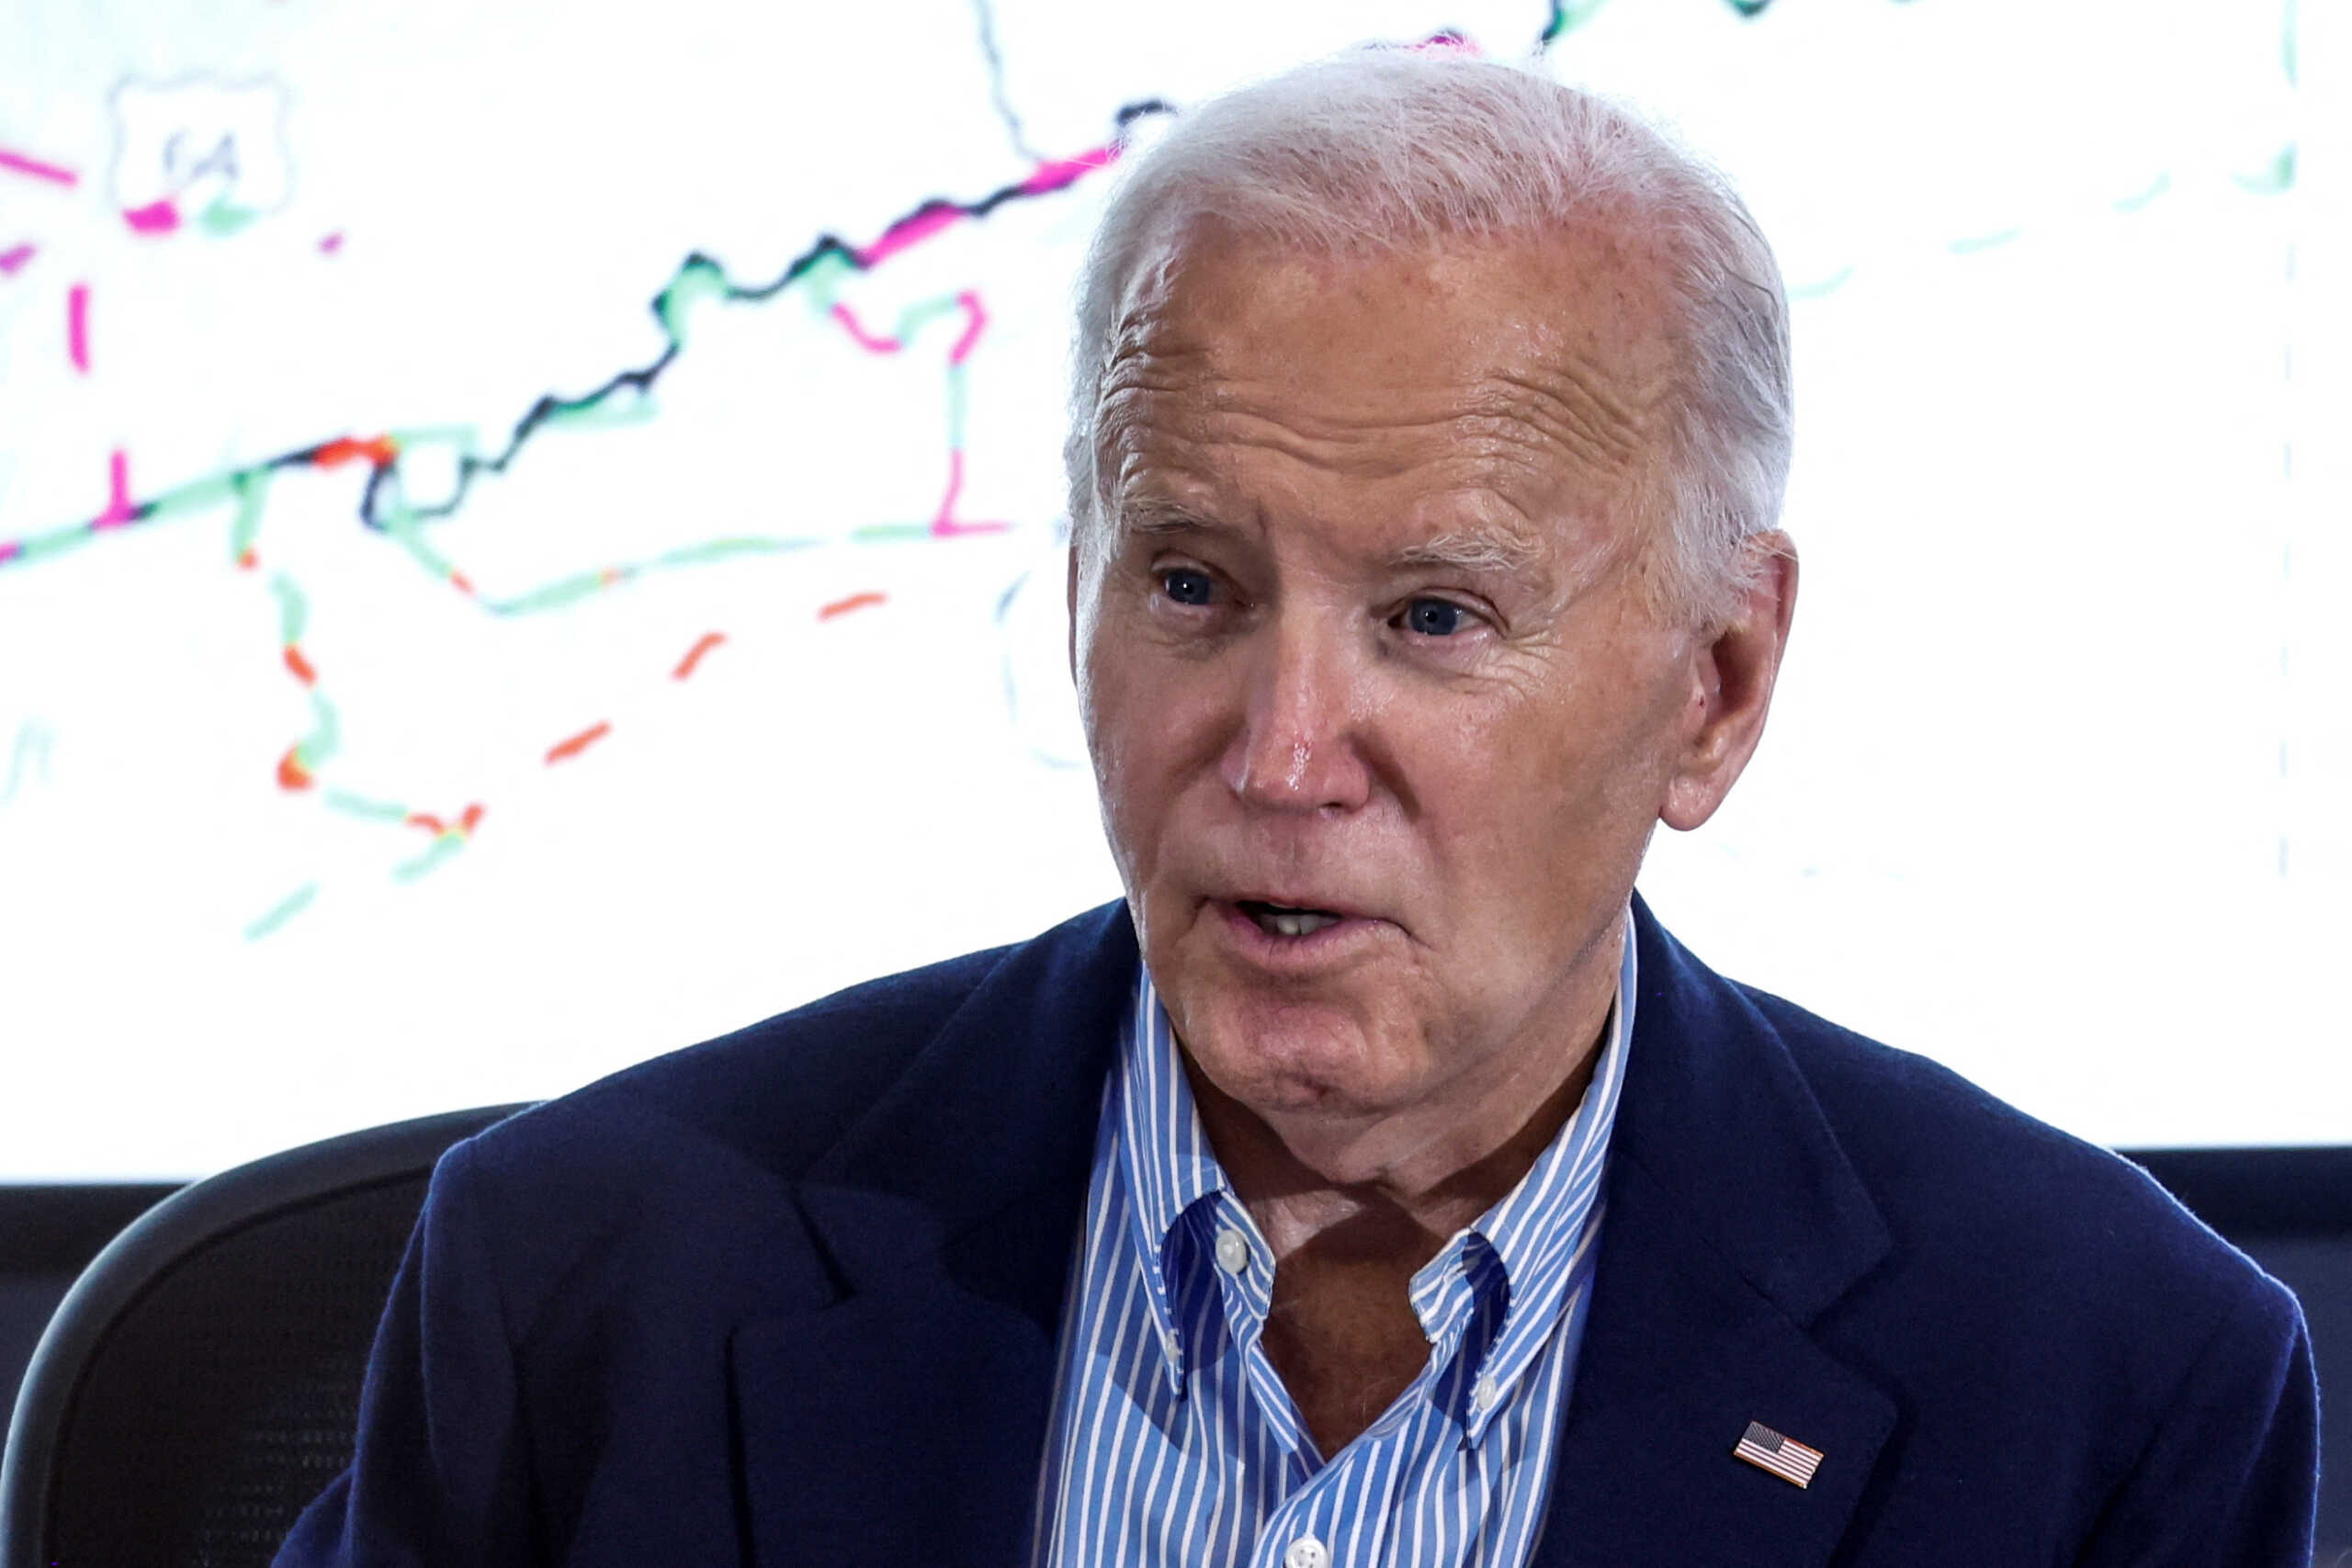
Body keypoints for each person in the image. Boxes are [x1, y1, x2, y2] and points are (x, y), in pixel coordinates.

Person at [273, 50, 2318, 1568]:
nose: (1274, 750)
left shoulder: (2100, 1386)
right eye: (1191, 583)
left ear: (1714, 685)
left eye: (1432, 614)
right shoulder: (594, 1277)